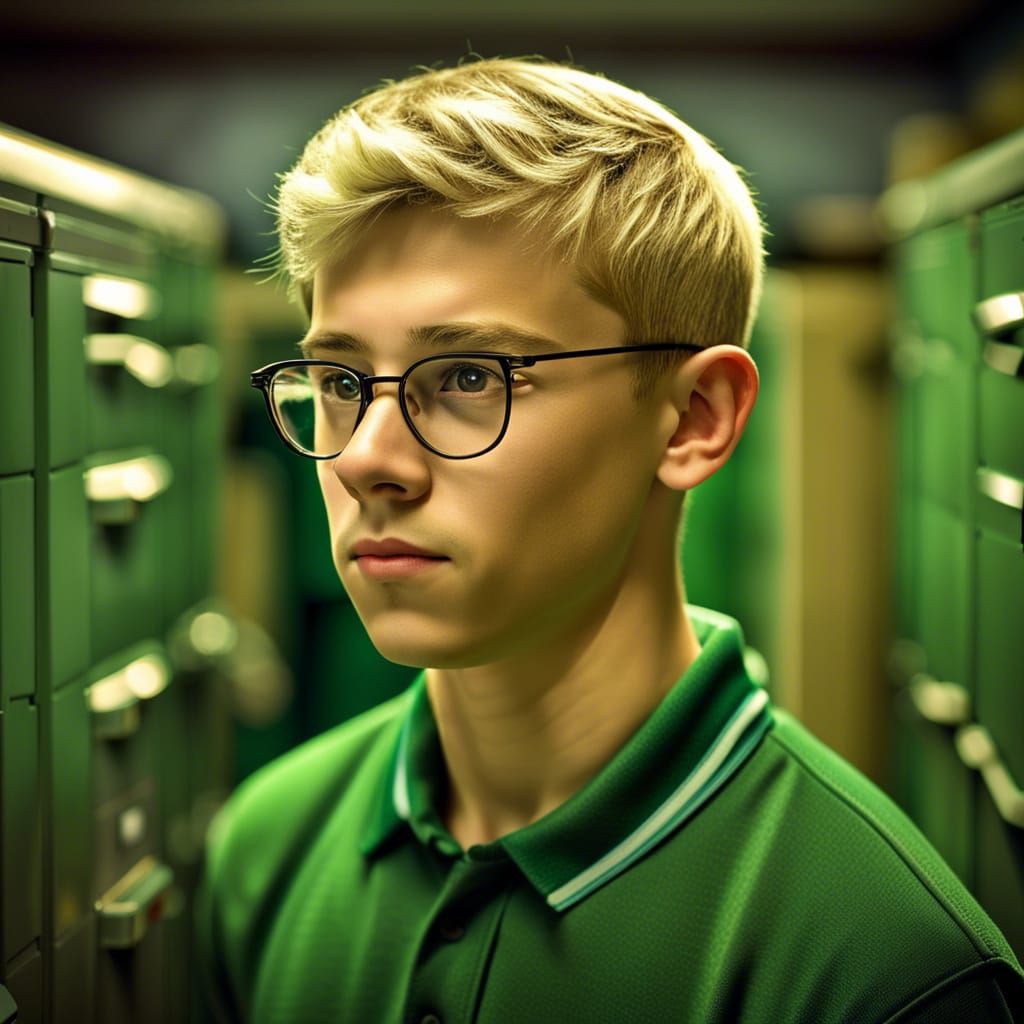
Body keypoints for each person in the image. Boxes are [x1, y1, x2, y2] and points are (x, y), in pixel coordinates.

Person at [195, 56, 1024, 1023]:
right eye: (340, 382)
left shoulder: (883, 970)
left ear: (693, 419)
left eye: (467, 377)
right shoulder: (263, 850)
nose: (369, 459)